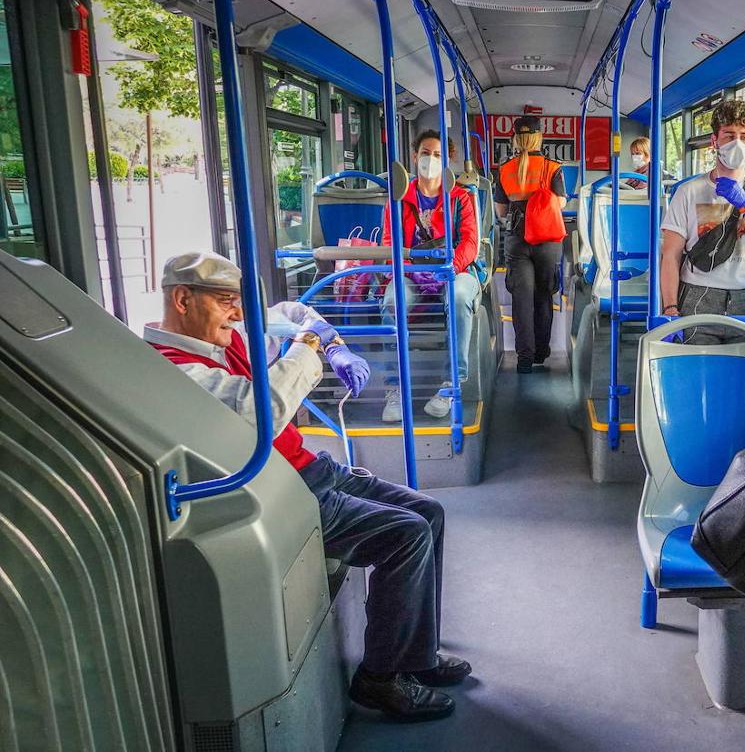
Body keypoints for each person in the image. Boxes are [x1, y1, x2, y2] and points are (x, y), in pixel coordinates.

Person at [145, 252, 472, 722]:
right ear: (182, 299)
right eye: (225, 302)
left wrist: (331, 343)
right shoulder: (176, 368)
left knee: (429, 512)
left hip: (313, 469)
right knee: (406, 534)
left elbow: (296, 314)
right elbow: (258, 411)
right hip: (282, 491)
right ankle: (380, 677)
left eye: (238, 303)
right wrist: (307, 348)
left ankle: (415, 656)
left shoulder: (223, 337)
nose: (238, 314)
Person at [380, 130, 484, 421]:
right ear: (414, 157)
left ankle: (451, 383)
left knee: (461, 294)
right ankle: (395, 386)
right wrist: (410, 268)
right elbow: (390, 243)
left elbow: (470, 242)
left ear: (447, 160)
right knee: (392, 300)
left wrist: (452, 268)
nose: (430, 159)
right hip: (411, 272)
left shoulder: (460, 198)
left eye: (437, 155)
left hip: (454, 269)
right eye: (425, 153)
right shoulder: (398, 200)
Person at [659, 99, 745, 344]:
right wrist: (670, 307)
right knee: (698, 372)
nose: (737, 142)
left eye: (744, 136)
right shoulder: (689, 192)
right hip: (698, 295)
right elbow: (671, 255)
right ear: (714, 141)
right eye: (729, 135)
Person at [493, 115, 567, 373]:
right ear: (539, 137)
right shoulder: (552, 167)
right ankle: (541, 353)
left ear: (515, 138)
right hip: (547, 239)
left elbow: (501, 211)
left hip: (517, 238)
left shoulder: (504, 169)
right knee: (543, 296)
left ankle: (524, 359)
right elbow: (560, 204)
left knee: (521, 299)